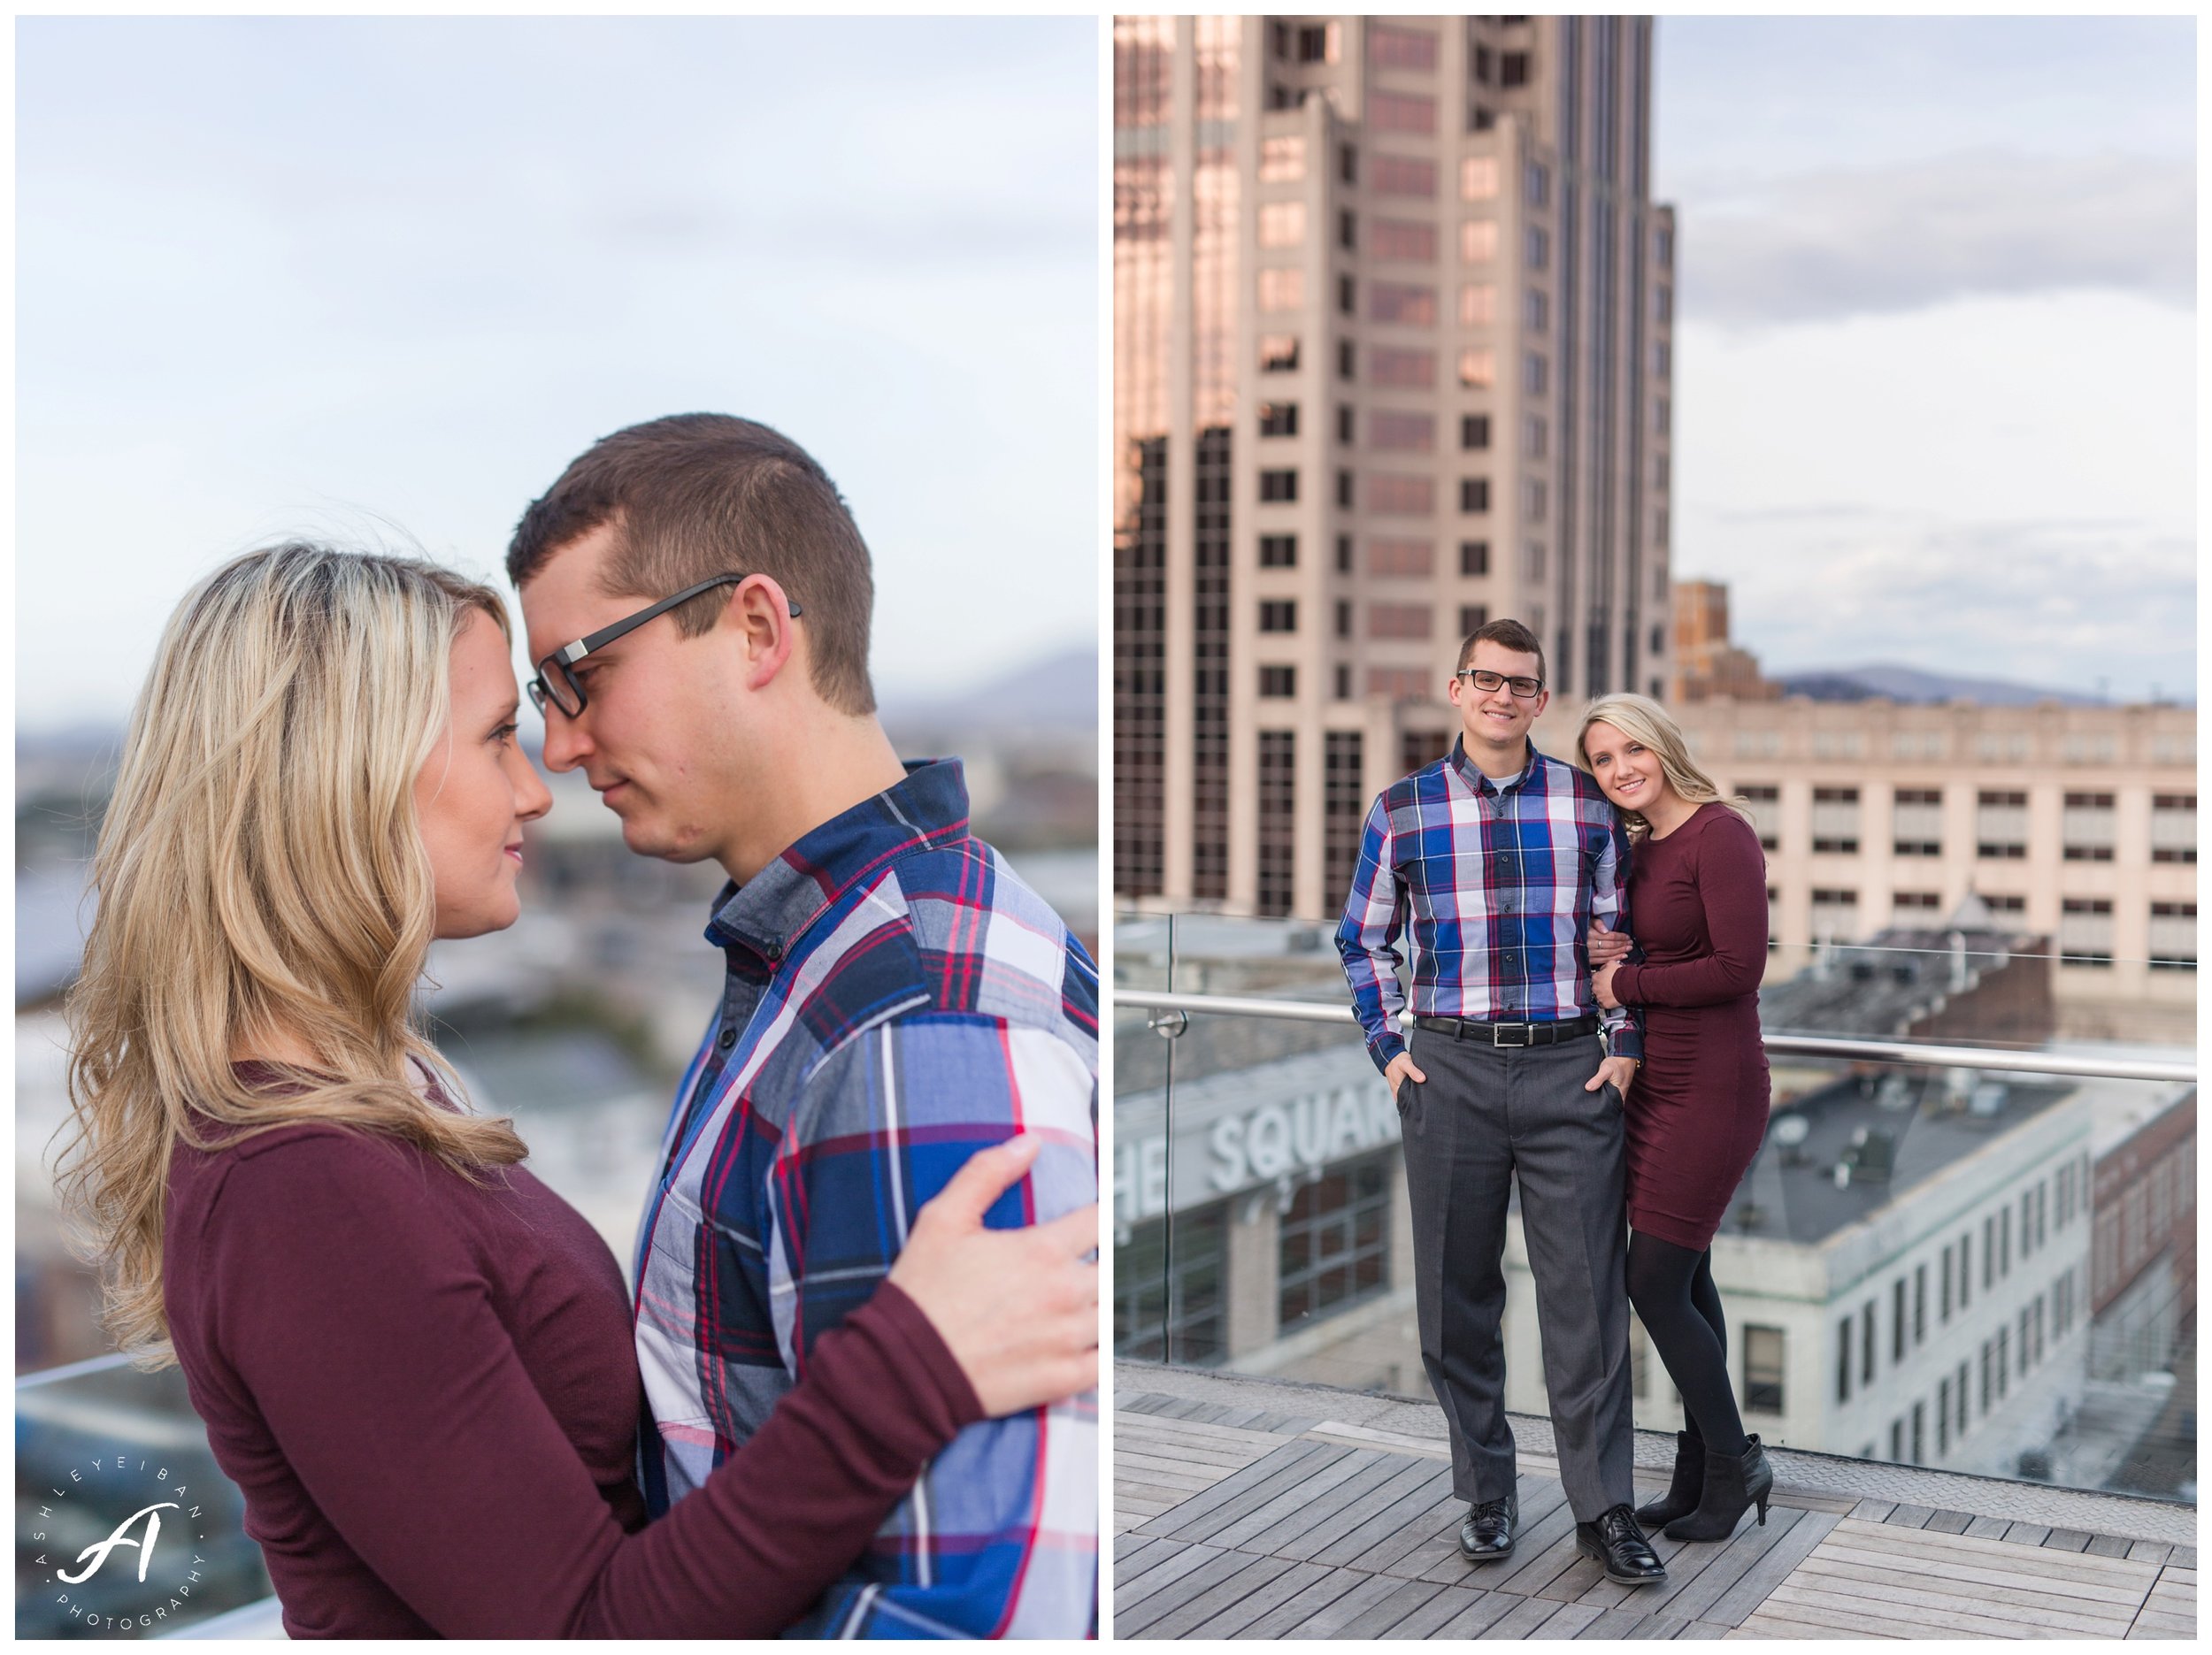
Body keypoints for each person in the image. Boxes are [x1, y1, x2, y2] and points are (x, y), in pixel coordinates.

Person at [57, 545, 1100, 1638]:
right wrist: (902, 1369)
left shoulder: (339, 1122)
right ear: (342, 770)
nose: (535, 784)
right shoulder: (302, 1187)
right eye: (497, 735)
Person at [507, 413, 1100, 1638]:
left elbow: (971, 1616)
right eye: (542, 695)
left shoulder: (914, 1021)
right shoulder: (826, 960)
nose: (560, 743)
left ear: (758, 628)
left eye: (581, 673)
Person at [1335, 617, 1665, 1589]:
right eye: (1485, 679)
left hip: (1570, 1072)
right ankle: (1486, 1489)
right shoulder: (1399, 810)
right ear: (1456, 688)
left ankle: (1603, 1508)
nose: (1501, 695)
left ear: (1540, 699)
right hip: (1448, 1072)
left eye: (1519, 683)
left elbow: (1621, 942)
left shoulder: (1586, 805)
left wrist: (1625, 1047)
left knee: (1589, 1305)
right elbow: (1362, 941)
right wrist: (1389, 1049)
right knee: (1455, 1297)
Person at [1578, 692, 1775, 1543]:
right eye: (1601, 759)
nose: (1620, 769)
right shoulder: (1638, 847)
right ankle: (1701, 1472)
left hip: (1717, 1084)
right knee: (1687, 1275)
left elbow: (1739, 967)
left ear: (1663, 747)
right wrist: (1611, 952)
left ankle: (1735, 1465)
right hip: (1655, 1080)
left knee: (1650, 1278)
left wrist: (1627, 982)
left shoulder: (1719, 832)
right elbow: (1655, 945)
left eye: (1633, 750)